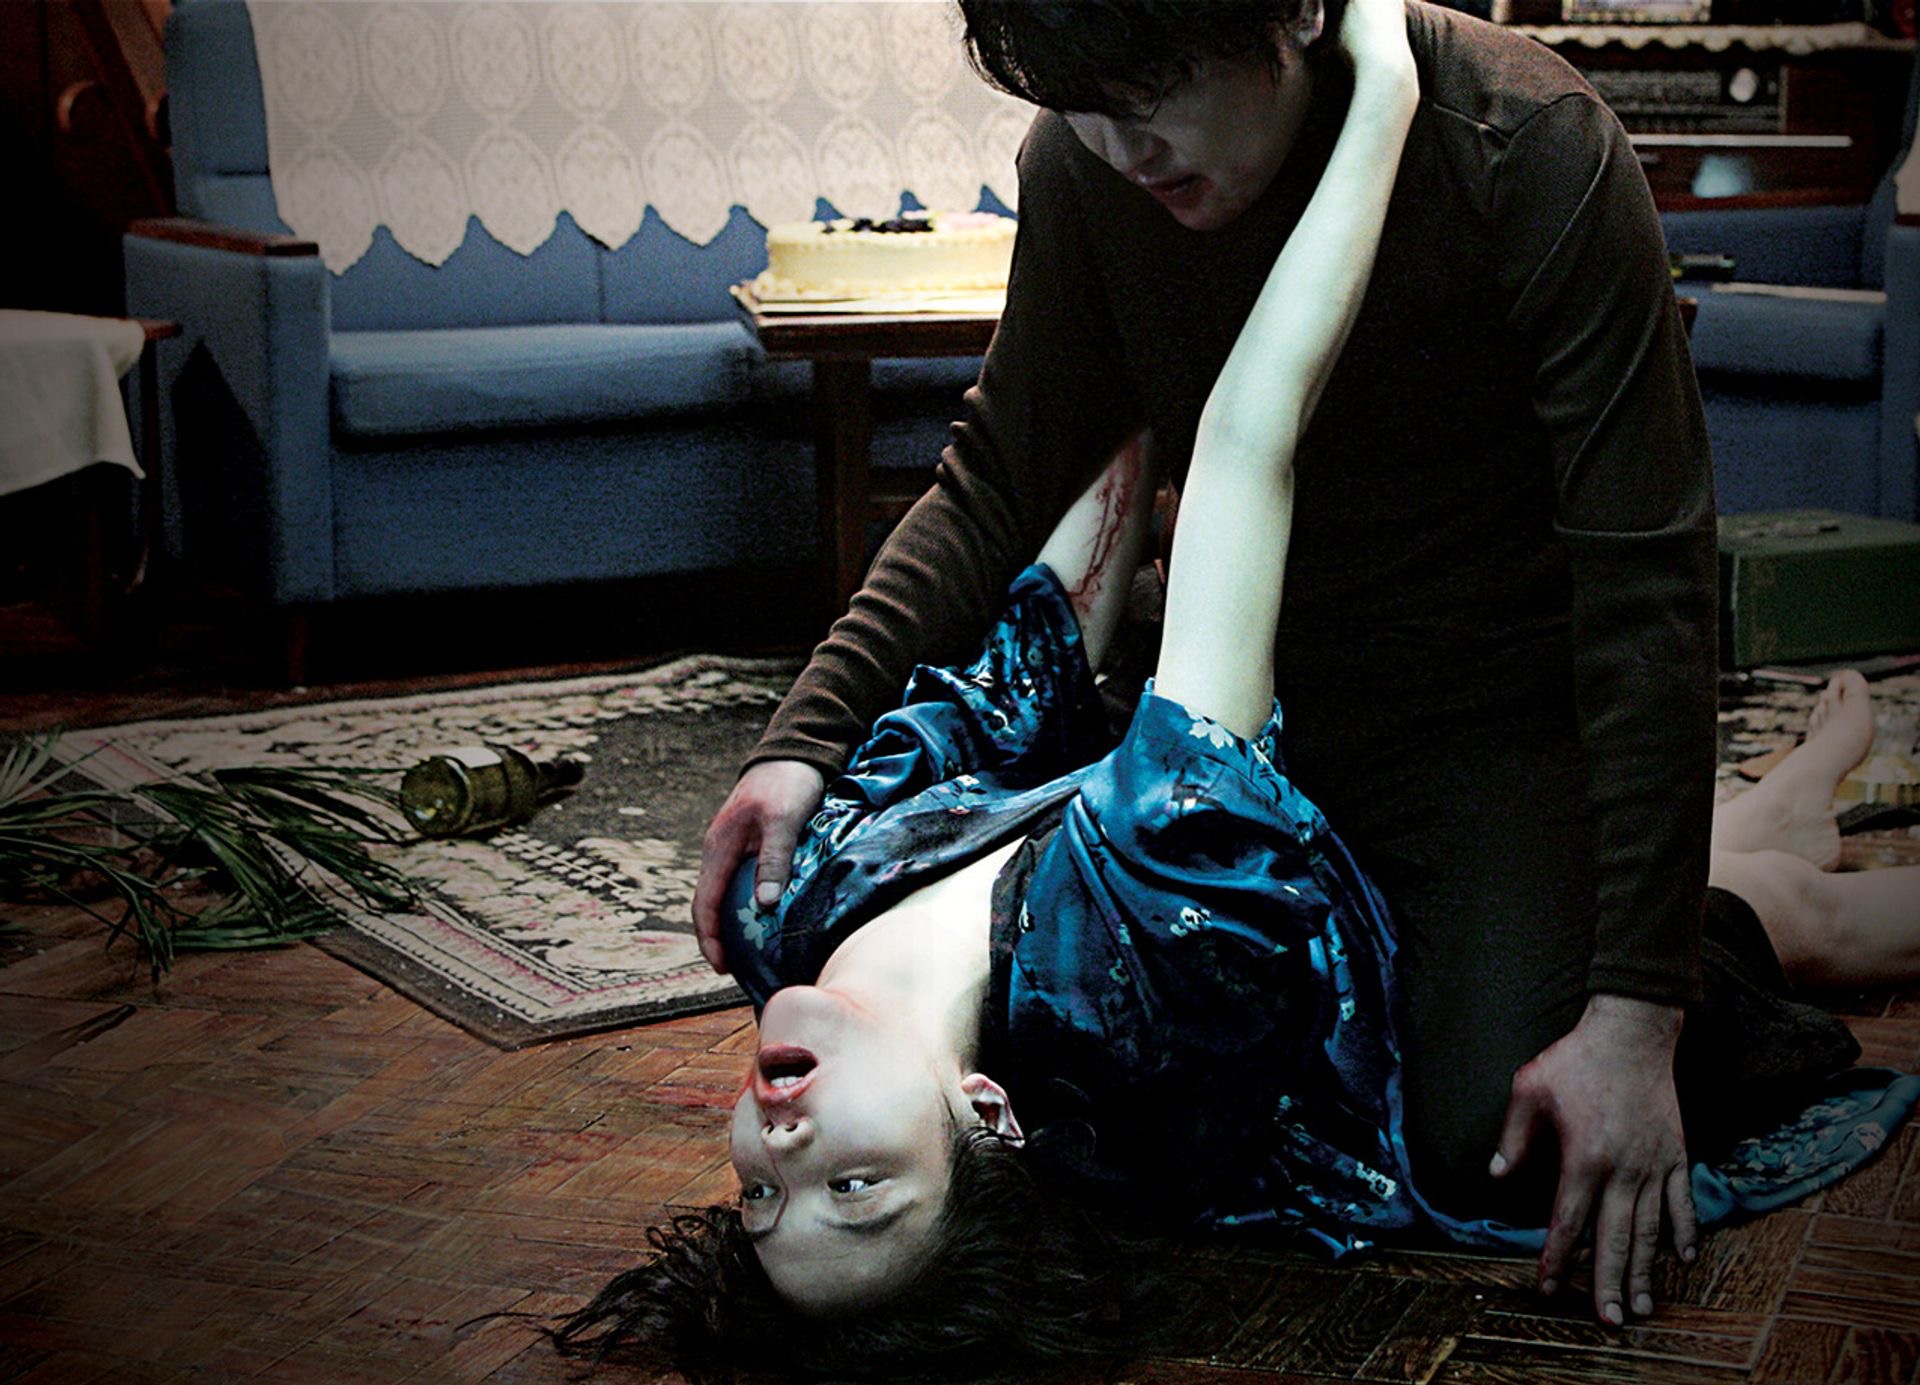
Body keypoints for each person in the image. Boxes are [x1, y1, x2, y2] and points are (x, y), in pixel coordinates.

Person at [557, 4, 1918, 1374]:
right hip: (1246, 730)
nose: (1117, 145)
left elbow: (1647, 594)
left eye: (1151, 86)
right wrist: (801, 740)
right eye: (1081, 106)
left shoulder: (1530, 142)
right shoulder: (1088, 158)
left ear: (1297, 9)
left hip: (1494, 729)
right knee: (1438, 1121)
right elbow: (1004, 469)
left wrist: (1636, 1012)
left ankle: (1764, 895)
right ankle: (1753, 842)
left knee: (1495, 1137)